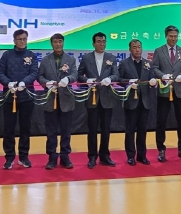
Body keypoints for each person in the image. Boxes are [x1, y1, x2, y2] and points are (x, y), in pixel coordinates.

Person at [0, 29, 40, 169]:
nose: (22, 41)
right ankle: (9, 158)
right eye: (20, 39)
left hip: (26, 97)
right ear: (14, 40)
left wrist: (24, 83)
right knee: (9, 129)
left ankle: (23, 157)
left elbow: (34, 72)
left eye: (24, 39)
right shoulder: (6, 55)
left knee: (25, 128)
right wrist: (8, 83)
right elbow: (0, 73)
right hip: (9, 97)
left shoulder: (31, 55)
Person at [77, 31, 120, 168]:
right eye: (99, 41)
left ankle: (104, 155)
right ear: (93, 43)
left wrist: (110, 79)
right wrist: (87, 80)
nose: (102, 44)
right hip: (93, 98)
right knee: (92, 129)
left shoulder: (111, 57)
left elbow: (116, 75)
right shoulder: (86, 58)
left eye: (104, 41)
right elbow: (79, 75)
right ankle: (92, 156)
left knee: (106, 128)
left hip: (107, 98)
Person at [151, 25, 181, 162]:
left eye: (175, 36)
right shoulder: (159, 51)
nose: (173, 39)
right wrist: (162, 76)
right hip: (164, 90)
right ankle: (161, 150)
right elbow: (154, 68)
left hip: (180, 90)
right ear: (166, 36)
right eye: (171, 36)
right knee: (161, 121)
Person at [37, 33, 77, 170]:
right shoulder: (45, 60)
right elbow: (40, 76)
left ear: (63, 43)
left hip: (66, 99)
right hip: (50, 99)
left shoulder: (70, 59)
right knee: (51, 131)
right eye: (55, 42)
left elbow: (74, 75)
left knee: (66, 130)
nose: (58, 44)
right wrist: (46, 83)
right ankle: (52, 156)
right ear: (51, 44)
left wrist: (68, 79)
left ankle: (65, 156)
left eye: (60, 41)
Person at [118, 39, 156, 166]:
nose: (137, 49)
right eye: (134, 47)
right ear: (130, 49)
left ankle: (142, 155)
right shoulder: (124, 63)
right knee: (130, 130)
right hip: (131, 101)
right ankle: (130, 156)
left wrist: (153, 81)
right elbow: (119, 79)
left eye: (139, 47)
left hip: (145, 101)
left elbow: (152, 77)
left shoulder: (148, 63)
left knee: (142, 130)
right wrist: (128, 83)